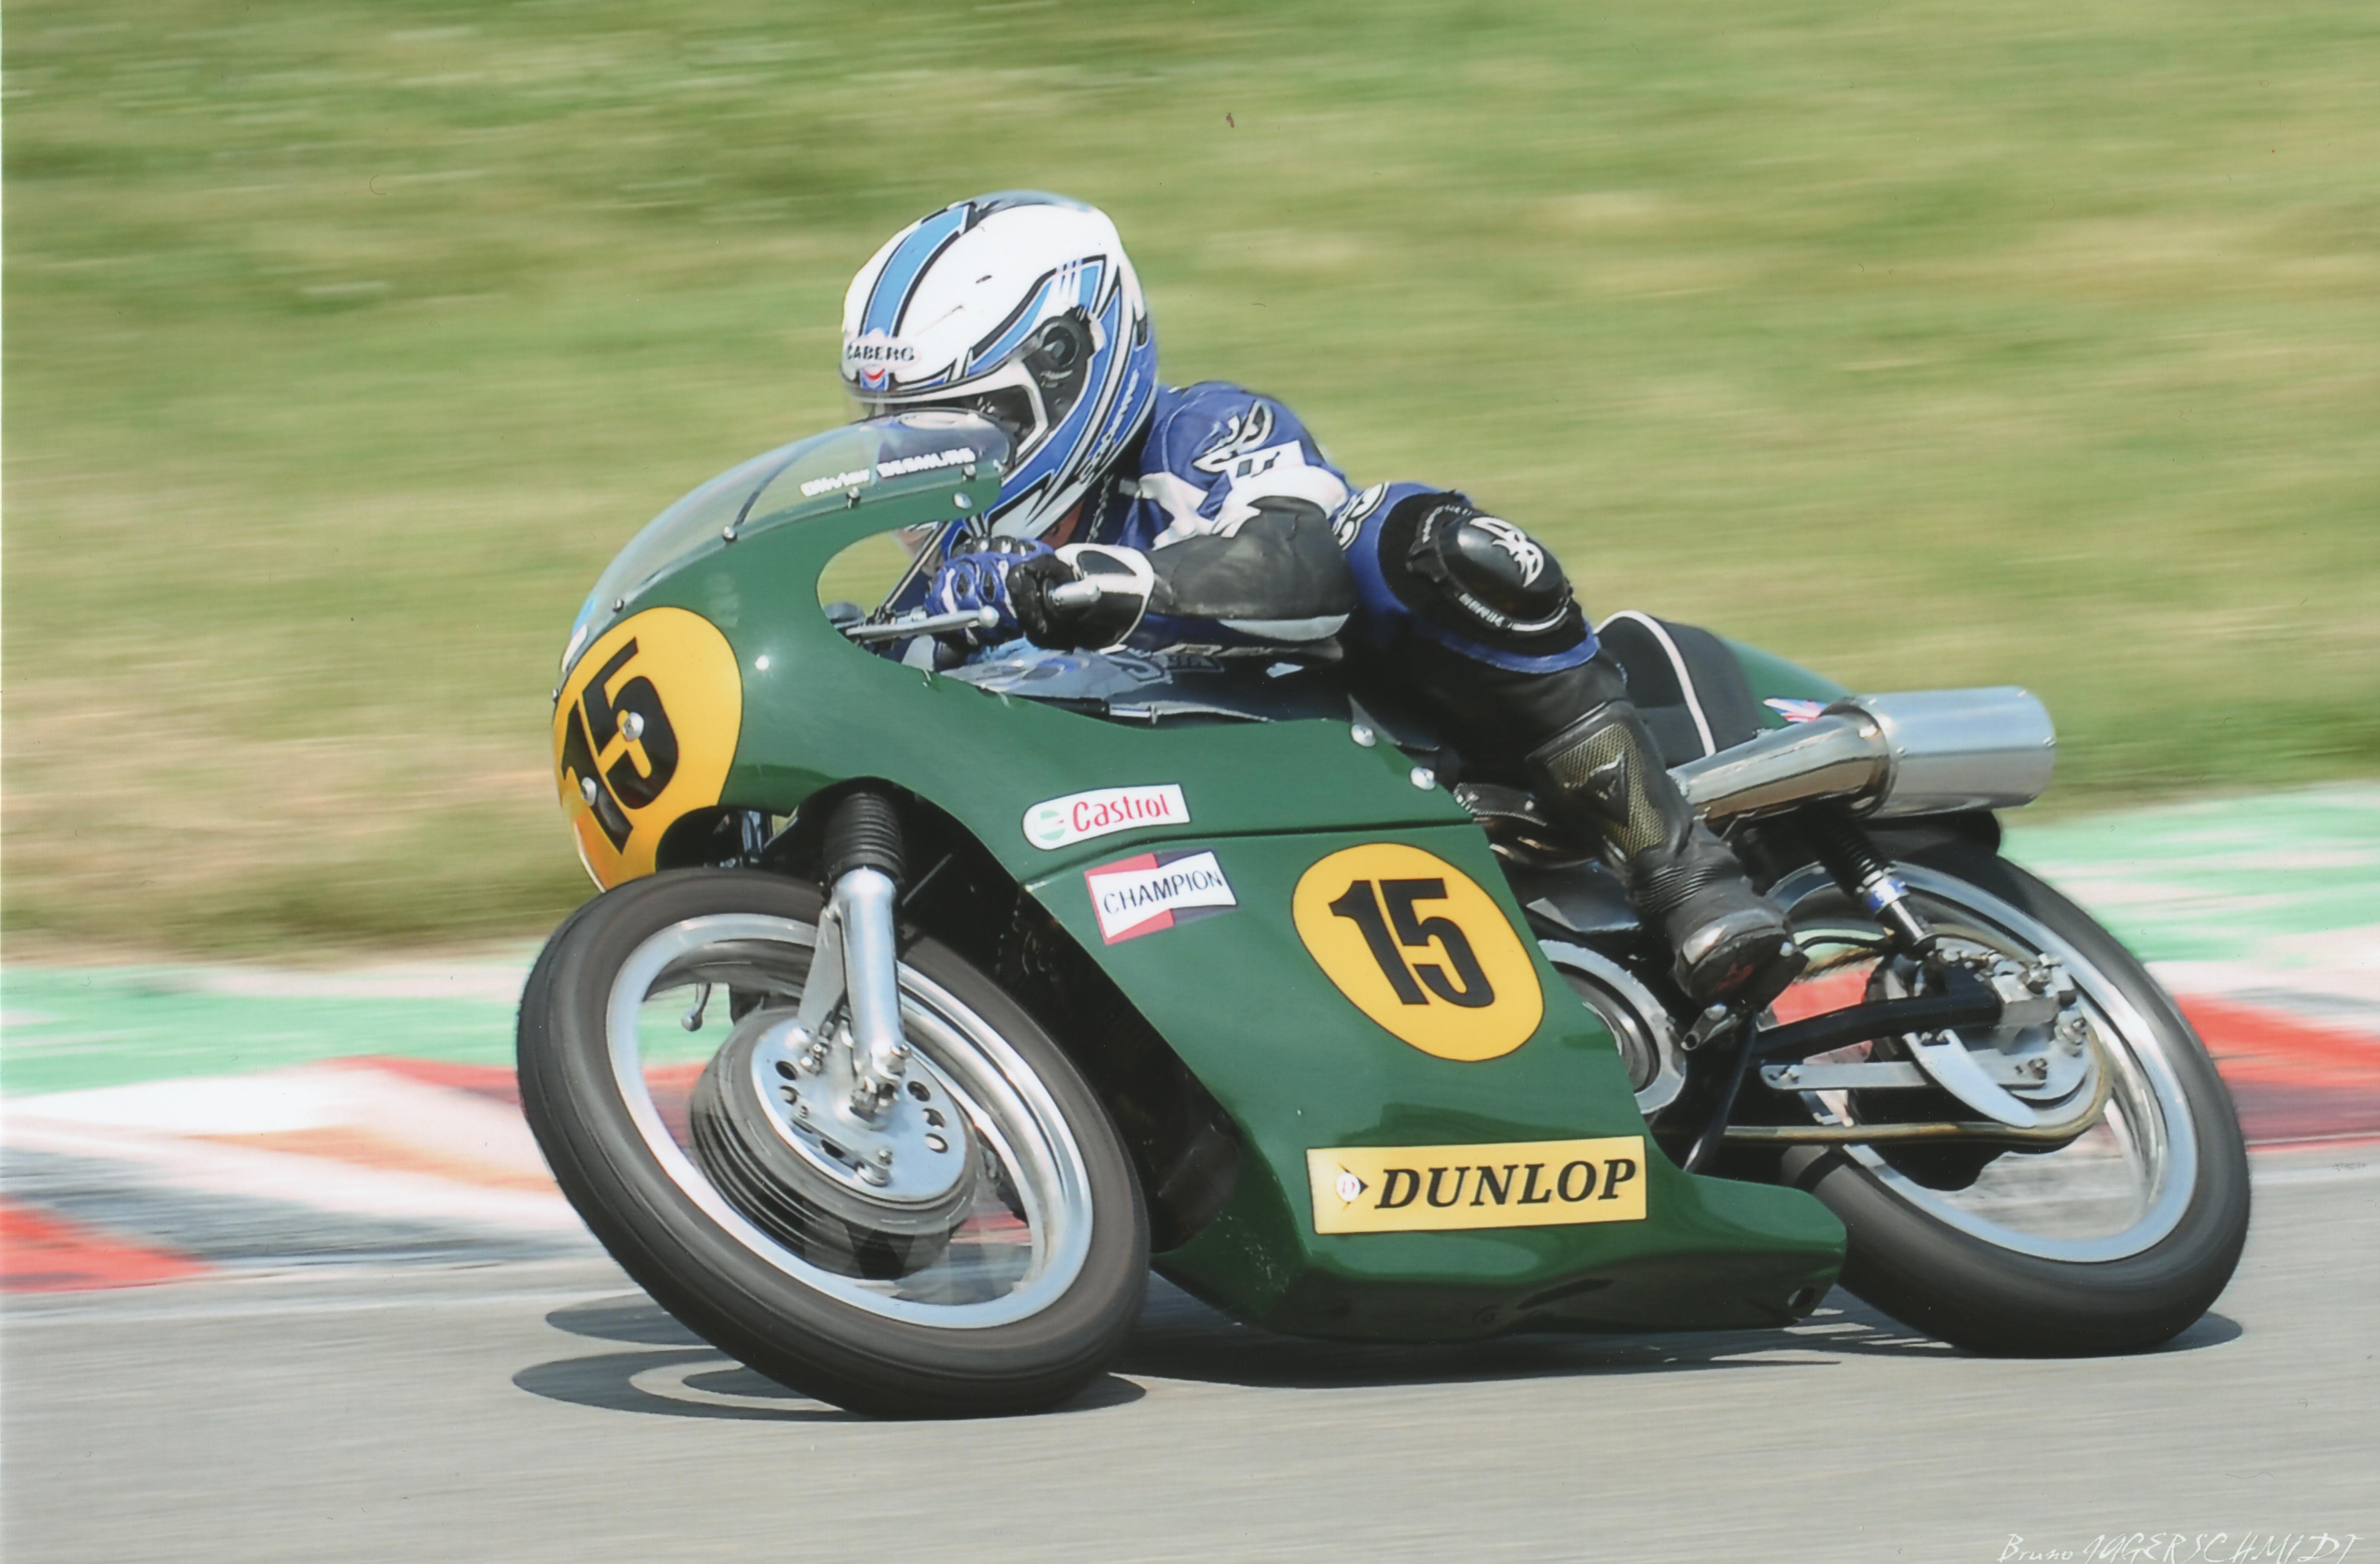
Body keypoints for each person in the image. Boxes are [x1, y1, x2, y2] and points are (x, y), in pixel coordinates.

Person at [840, 191, 1799, 1010]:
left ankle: (1682, 872)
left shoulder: (1202, 435)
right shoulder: (953, 584)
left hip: (1402, 759)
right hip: (1222, 891)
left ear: (1066, 367)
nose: (924, 459)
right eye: (899, 429)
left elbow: (1297, 570)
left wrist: (1089, 587)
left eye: (966, 421)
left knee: (1408, 539)